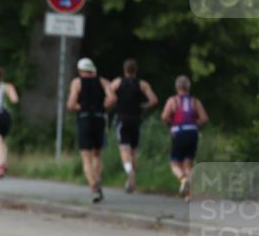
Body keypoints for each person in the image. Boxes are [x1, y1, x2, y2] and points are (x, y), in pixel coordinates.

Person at [67, 58, 115, 203]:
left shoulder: (77, 82)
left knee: (86, 156)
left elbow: (71, 104)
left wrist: (80, 107)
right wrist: (104, 106)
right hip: (99, 119)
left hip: (85, 119)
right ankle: (98, 180)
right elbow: (112, 97)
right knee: (97, 154)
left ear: (80, 70)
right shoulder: (103, 81)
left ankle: (94, 187)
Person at [110, 59, 159, 193]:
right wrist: (144, 106)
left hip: (122, 118)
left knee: (124, 149)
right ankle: (132, 180)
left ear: (124, 70)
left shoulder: (117, 82)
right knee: (133, 151)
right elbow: (154, 100)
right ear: (136, 70)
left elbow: (109, 97)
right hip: (136, 119)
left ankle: (129, 172)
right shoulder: (142, 84)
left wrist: (114, 104)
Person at [160, 75, 208, 200]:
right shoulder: (195, 101)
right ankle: (189, 195)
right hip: (192, 133)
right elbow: (204, 119)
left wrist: (171, 125)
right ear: (189, 87)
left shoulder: (173, 100)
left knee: (175, 163)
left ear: (177, 87)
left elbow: (164, 116)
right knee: (188, 164)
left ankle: (183, 179)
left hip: (179, 133)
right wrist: (195, 125)